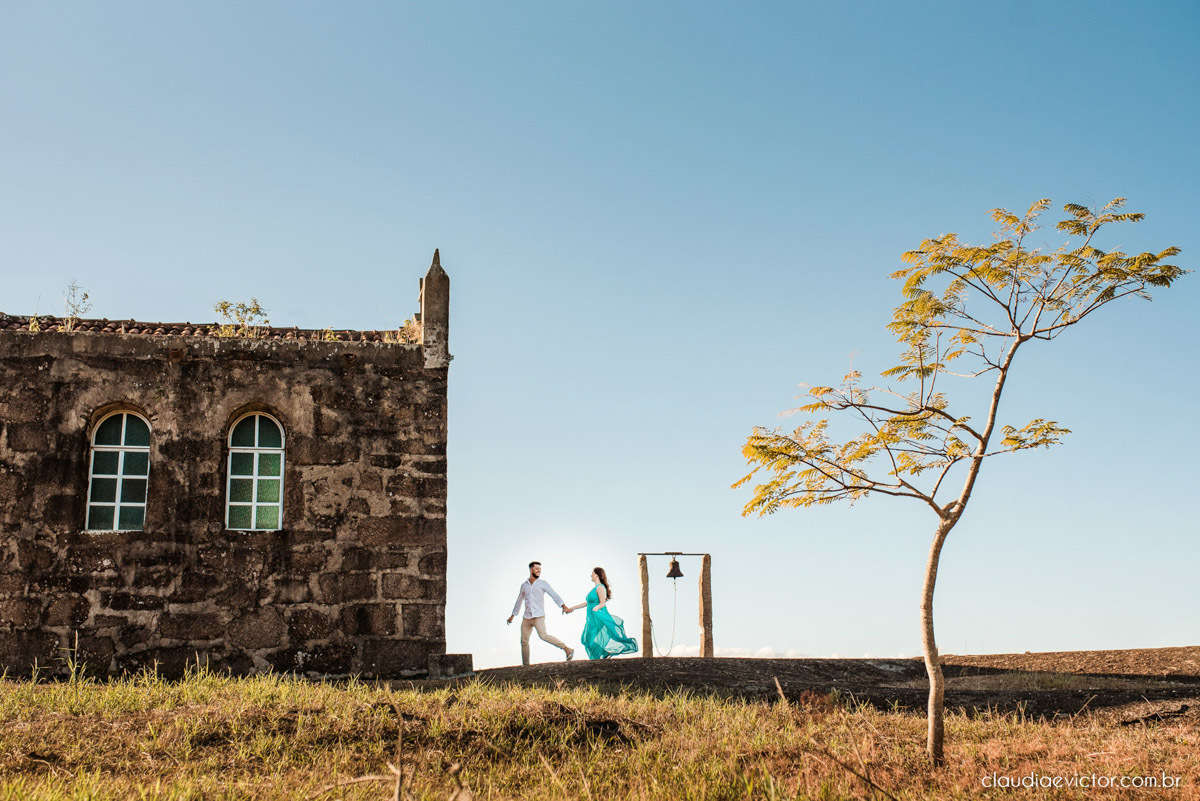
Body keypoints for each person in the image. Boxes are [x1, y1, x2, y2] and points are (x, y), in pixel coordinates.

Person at [508, 561, 575, 665]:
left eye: (540, 569)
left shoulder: (543, 583)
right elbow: (519, 600)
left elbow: (554, 595)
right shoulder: (524, 585)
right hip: (526, 617)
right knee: (524, 641)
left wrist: (563, 606)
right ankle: (526, 666)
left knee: (543, 636)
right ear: (531, 570)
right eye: (536, 569)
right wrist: (513, 615)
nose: (539, 571)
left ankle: (567, 649)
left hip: (538, 616)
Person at [565, 566, 638, 659]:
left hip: (597, 616)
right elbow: (587, 603)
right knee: (586, 640)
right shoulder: (595, 588)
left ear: (597, 575)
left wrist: (597, 607)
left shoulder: (600, 587)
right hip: (590, 617)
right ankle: (603, 653)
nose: (591, 575)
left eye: (592, 573)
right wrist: (573, 608)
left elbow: (602, 603)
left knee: (589, 639)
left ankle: (598, 657)